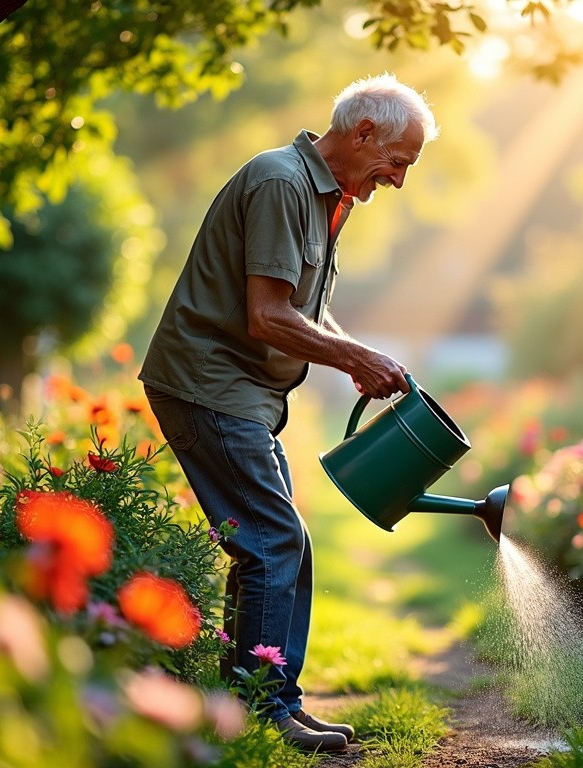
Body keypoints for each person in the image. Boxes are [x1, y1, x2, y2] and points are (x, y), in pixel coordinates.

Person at [139, 73, 439, 752]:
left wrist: (354, 352)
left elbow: (302, 311)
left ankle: (270, 700)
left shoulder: (328, 197)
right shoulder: (280, 182)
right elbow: (268, 316)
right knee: (273, 540)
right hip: (208, 383)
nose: (398, 181)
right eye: (399, 162)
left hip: (241, 390)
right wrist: (355, 359)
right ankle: (259, 710)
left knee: (282, 543)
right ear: (364, 133)